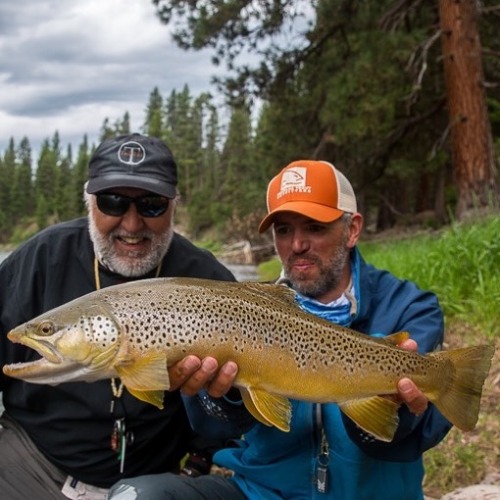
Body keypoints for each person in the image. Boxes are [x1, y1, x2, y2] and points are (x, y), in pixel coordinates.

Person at [109, 159, 453, 500]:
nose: (297, 244)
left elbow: (420, 434)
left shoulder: (409, 307)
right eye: (284, 230)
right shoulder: (245, 308)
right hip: (262, 492)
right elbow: (214, 429)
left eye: (314, 227)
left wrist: (397, 406)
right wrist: (228, 395)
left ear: (352, 229)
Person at [0, 133, 237, 499]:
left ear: (174, 205)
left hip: (152, 483)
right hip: (31, 466)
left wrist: (202, 449)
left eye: (151, 205)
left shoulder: (207, 278)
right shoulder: (38, 261)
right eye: (112, 203)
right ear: (89, 201)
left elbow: (234, 418)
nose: (131, 224)